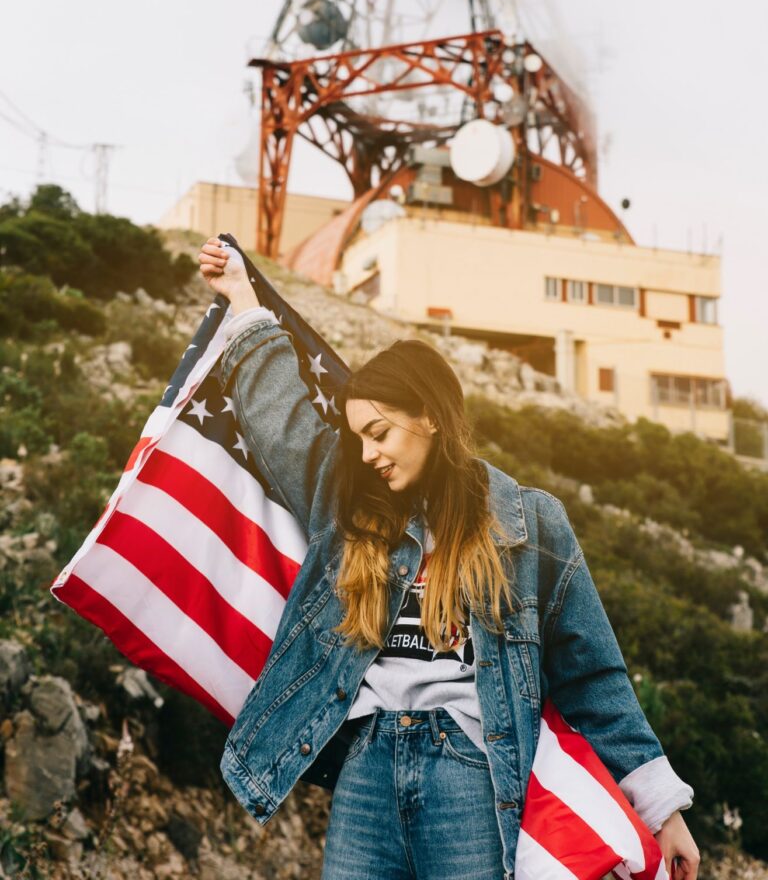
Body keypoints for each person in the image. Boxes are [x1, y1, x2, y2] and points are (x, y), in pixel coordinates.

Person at [198, 237, 700, 880]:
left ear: (430, 418)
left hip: (471, 771)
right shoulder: (349, 504)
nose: (370, 453)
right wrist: (243, 297)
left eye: (379, 433)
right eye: (358, 438)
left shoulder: (529, 523)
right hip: (367, 770)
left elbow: (592, 676)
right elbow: (282, 424)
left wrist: (663, 810)